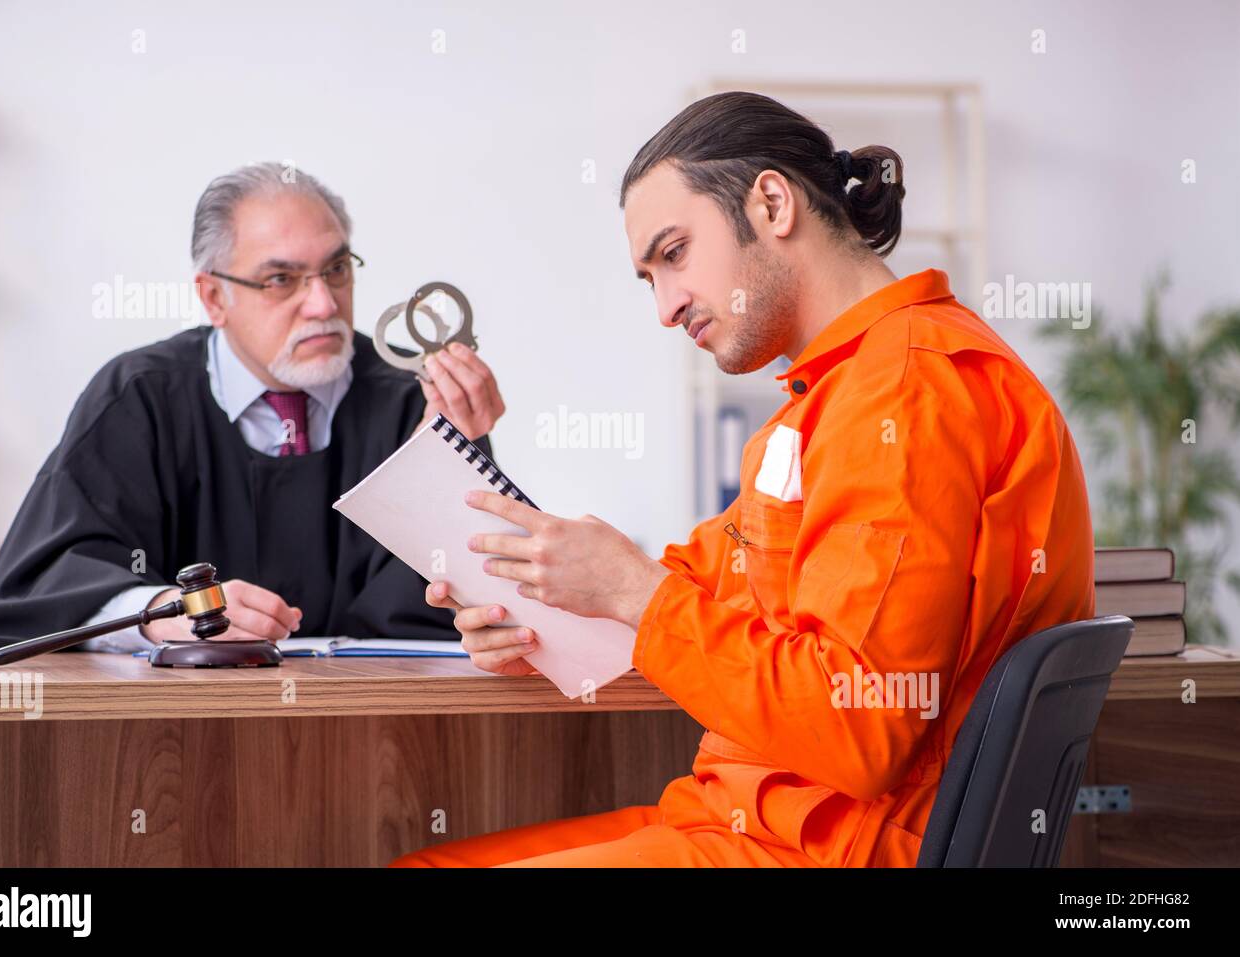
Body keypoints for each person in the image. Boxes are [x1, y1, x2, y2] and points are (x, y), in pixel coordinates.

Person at [392, 92, 1095, 867]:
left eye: (674, 252)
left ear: (770, 202)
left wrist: (631, 591)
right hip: (748, 822)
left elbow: (862, 727)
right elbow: (701, 589)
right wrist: (541, 613)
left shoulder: (905, 390)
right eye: (647, 277)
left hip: (829, 845)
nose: (664, 307)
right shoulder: (825, 402)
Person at [0, 162, 505, 653]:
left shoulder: (415, 398)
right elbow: (42, 580)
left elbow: (457, 614)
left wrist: (450, 461)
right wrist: (165, 612)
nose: (324, 303)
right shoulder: (140, 396)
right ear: (214, 297)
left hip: (378, 735)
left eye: (336, 269)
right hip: (170, 742)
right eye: (281, 279)